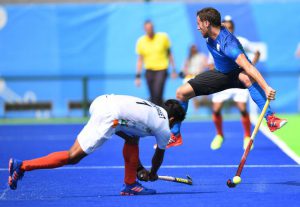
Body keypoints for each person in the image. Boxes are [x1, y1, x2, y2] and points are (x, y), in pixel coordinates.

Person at [8, 94, 186, 195]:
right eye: (175, 123)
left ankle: (130, 184)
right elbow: (159, 155)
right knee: (73, 156)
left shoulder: (152, 108)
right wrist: (153, 173)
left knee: (132, 138)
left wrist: (139, 168)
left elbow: (124, 129)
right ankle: (22, 166)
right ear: (172, 119)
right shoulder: (164, 126)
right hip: (110, 114)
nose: (173, 127)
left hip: (102, 100)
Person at [166, 7, 287, 148]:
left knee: (247, 78)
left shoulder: (228, 44)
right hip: (220, 74)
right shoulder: (213, 30)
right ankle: (176, 135)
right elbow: (219, 24)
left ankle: (271, 119)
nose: (197, 27)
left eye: (198, 23)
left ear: (206, 23)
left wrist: (266, 87)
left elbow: (248, 66)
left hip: (237, 73)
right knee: (181, 93)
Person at [209, 16, 261, 150]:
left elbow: (257, 52)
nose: (228, 29)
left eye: (230, 27)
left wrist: (250, 67)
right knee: (216, 109)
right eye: (225, 26)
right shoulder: (215, 41)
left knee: (242, 109)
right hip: (222, 80)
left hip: (238, 80)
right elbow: (210, 63)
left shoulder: (241, 41)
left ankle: (246, 137)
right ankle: (220, 135)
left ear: (233, 28)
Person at [135, 20, 177, 107]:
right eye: (147, 28)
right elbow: (140, 60)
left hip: (161, 69)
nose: (149, 30)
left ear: (153, 28)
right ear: (144, 29)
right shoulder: (141, 41)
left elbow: (170, 54)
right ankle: (159, 111)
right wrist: (138, 76)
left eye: (151, 28)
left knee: (158, 92)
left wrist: (173, 70)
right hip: (149, 70)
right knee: (153, 96)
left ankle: (159, 113)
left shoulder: (163, 37)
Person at [181, 44, 209, 111]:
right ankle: (196, 108)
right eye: (192, 48)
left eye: (195, 48)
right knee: (191, 92)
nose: (194, 49)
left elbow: (207, 65)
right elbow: (184, 69)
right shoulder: (188, 59)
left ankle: (204, 103)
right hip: (190, 76)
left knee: (204, 90)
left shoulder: (202, 56)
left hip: (200, 75)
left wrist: (202, 69)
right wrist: (186, 73)